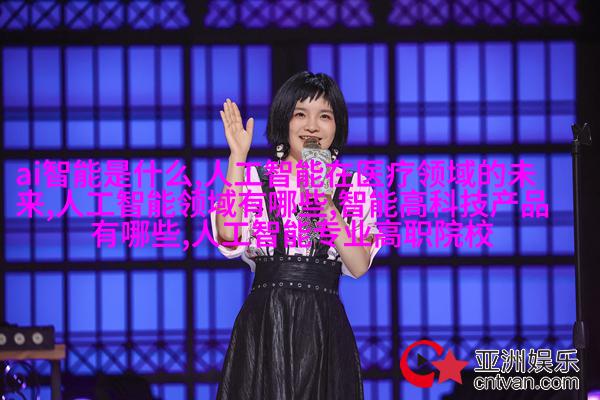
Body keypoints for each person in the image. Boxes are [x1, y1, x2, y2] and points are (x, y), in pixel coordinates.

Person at [210, 71, 381, 399]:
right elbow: (228, 233)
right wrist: (237, 158)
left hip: (323, 324)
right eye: (300, 114)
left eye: (324, 116)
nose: (312, 126)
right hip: (266, 322)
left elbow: (359, 265)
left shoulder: (352, 186)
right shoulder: (255, 179)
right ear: (284, 121)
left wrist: (324, 200)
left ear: (337, 126)